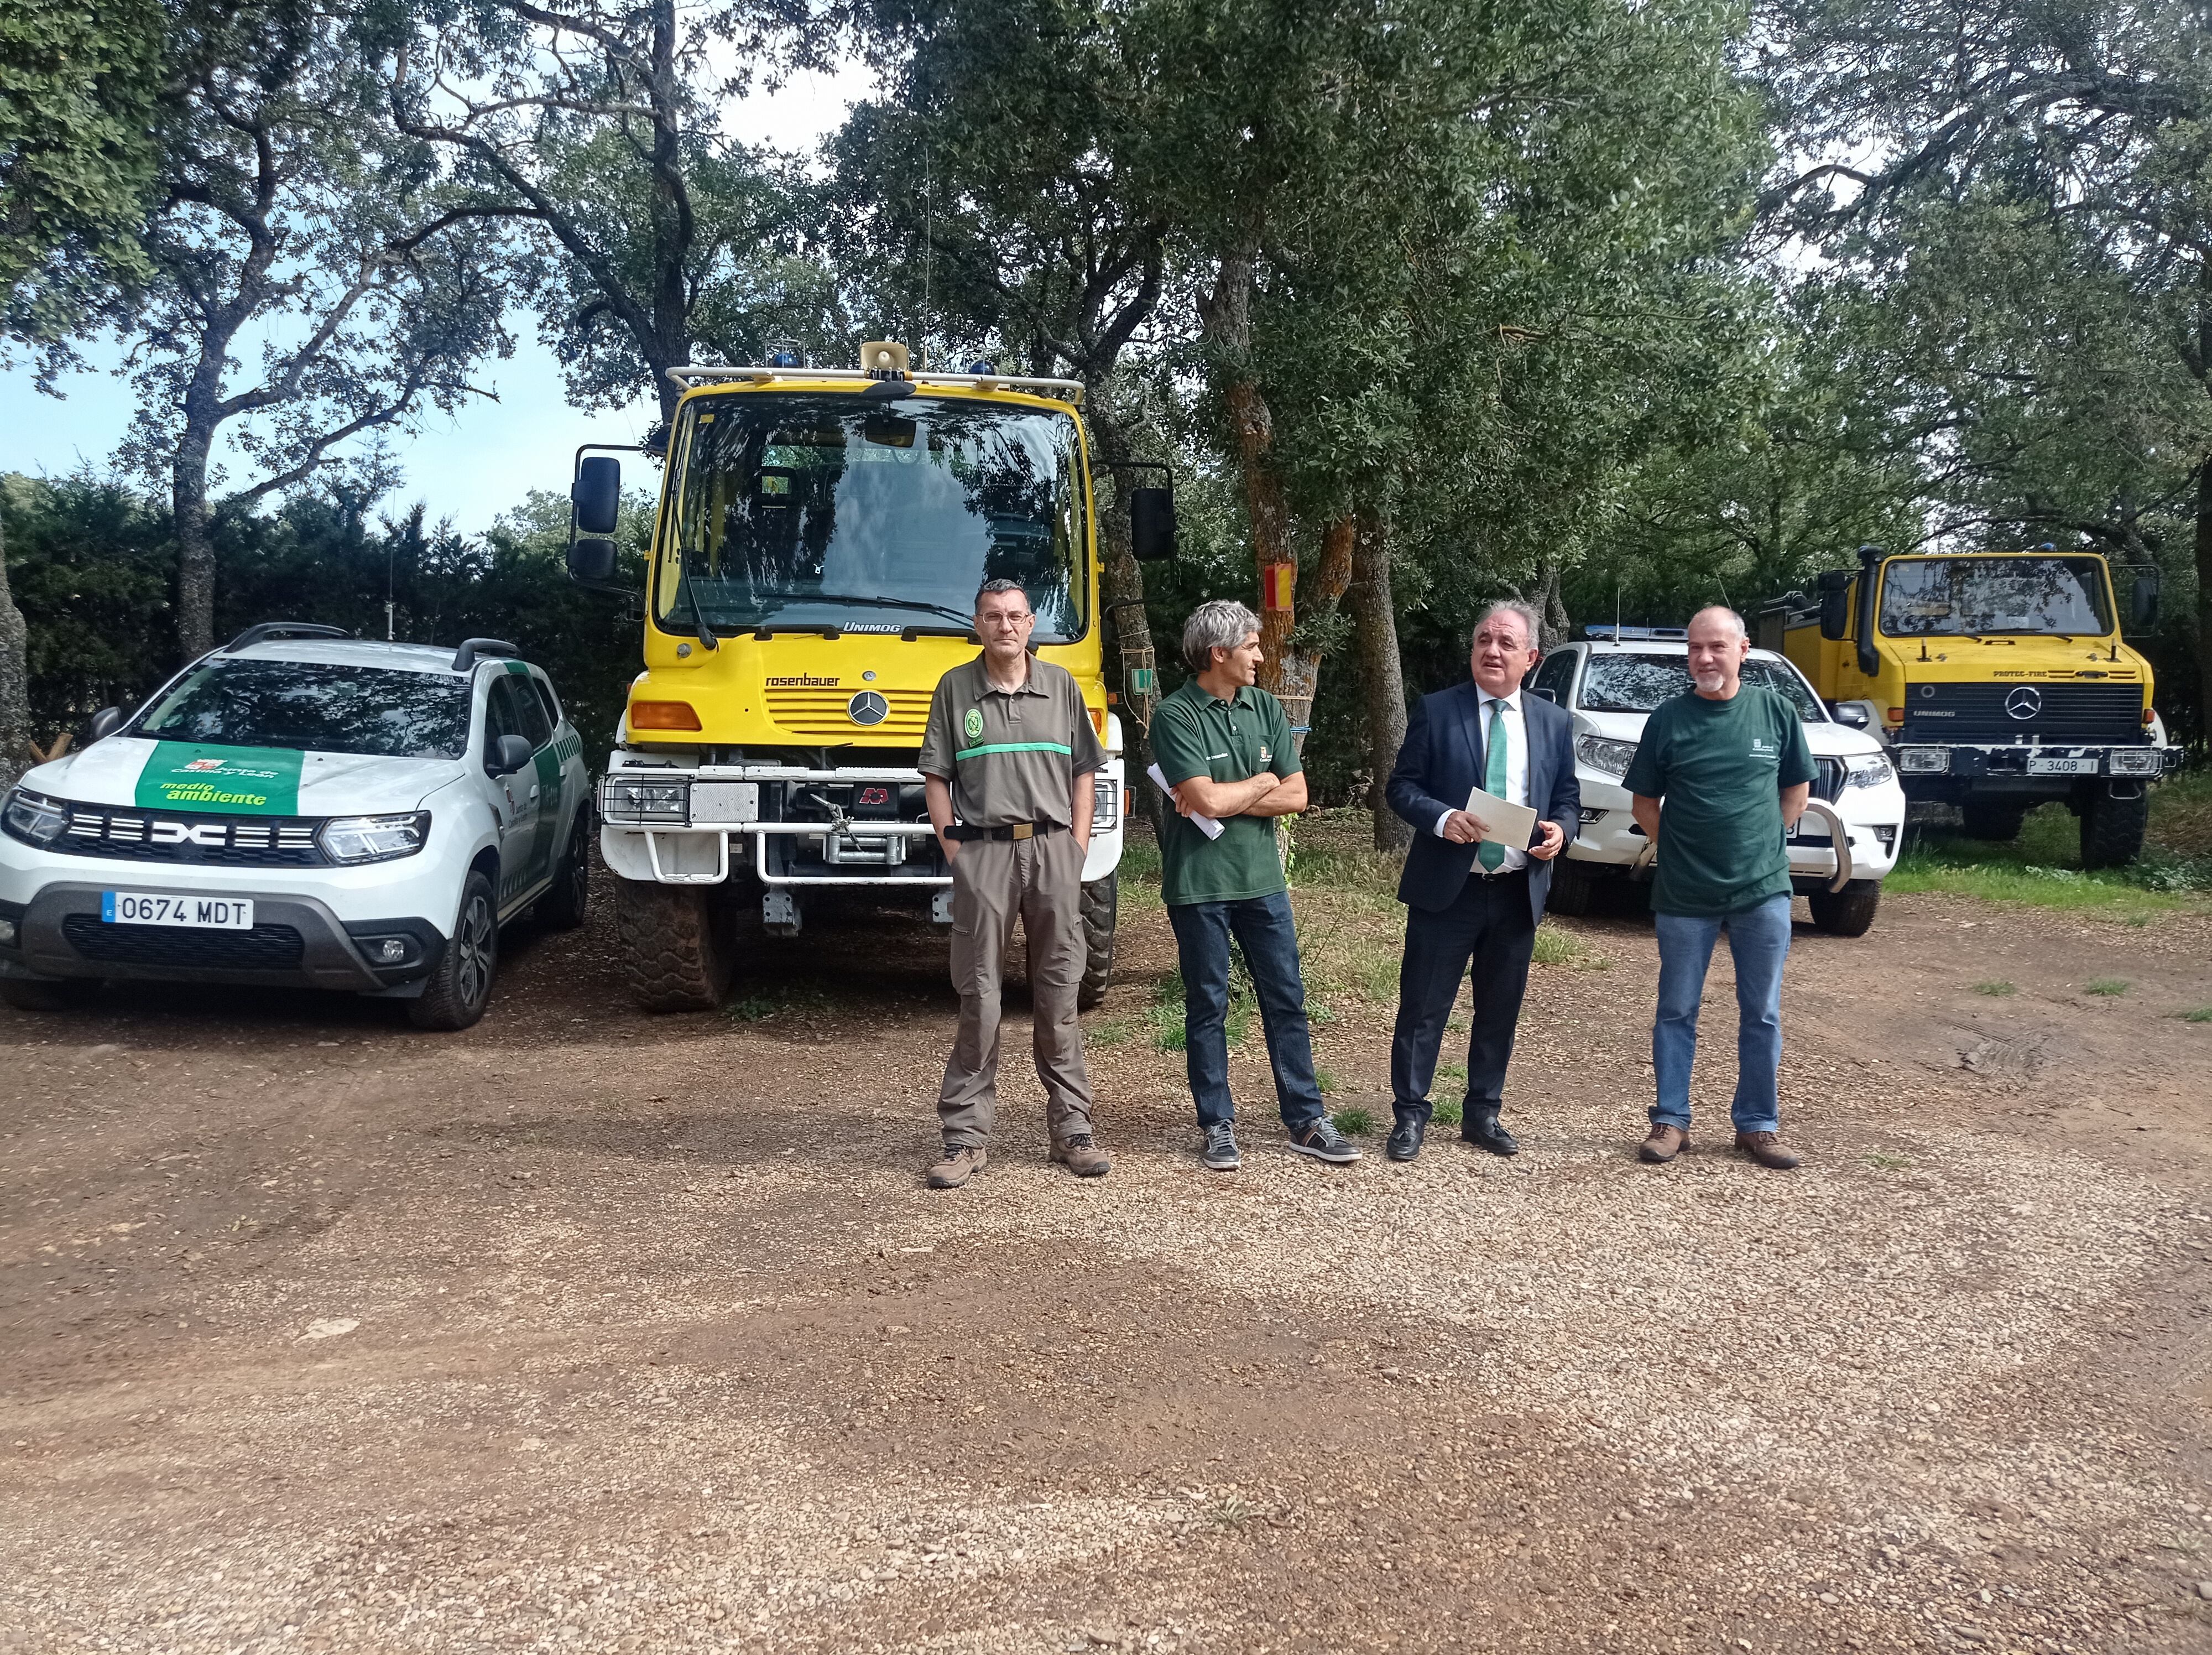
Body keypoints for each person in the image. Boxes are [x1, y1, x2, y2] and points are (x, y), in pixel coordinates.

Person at [1150, 600, 1360, 1171]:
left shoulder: (1265, 706)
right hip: (1199, 885)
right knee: (1208, 1004)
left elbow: (1296, 795)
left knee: (1287, 998)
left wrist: (1238, 788)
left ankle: (1307, 1120)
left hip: (1262, 882)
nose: (1260, 656)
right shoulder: (1175, 715)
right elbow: (1208, 801)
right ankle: (1217, 1124)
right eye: (1251, 646)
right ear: (1218, 653)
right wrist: (1262, 781)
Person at [917, 579, 1111, 1189]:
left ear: (1031, 625)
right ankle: (965, 1139)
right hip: (985, 854)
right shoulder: (954, 689)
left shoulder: (1061, 687)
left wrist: (1076, 849)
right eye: (994, 616)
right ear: (977, 624)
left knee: (1059, 991)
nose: (1006, 625)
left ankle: (1072, 1129)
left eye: (1016, 615)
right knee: (979, 994)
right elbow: (936, 776)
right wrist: (956, 850)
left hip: (1053, 849)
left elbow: (1086, 772)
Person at [1382, 601, 1579, 1162]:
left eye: (1505, 643)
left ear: (1531, 657)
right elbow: (1401, 787)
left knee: (1499, 1008)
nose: (1492, 651)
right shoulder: (1436, 711)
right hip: (1449, 888)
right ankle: (1410, 1115)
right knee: (1422, 1007)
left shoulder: (1552, 721)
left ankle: (1482, 1112)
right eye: (1483, 640)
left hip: (1517, 889)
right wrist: (1443, 818)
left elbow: (1568, 799)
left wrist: (1558, 834)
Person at [1622, 605, 1816, 1170]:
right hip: (1684, 895)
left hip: (1762, 892)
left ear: (1742, 650)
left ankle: (1757, 1125)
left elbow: (1795, 792)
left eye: (1716, 647)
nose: (1704, 658)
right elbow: (1643, 804)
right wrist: (1685, 849)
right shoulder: (1667, 719)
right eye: (1694, 649)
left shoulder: (1775, 711)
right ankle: (1670, 1121)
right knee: (1676, 1008)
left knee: (1762, 1011)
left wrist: (1755, 844)